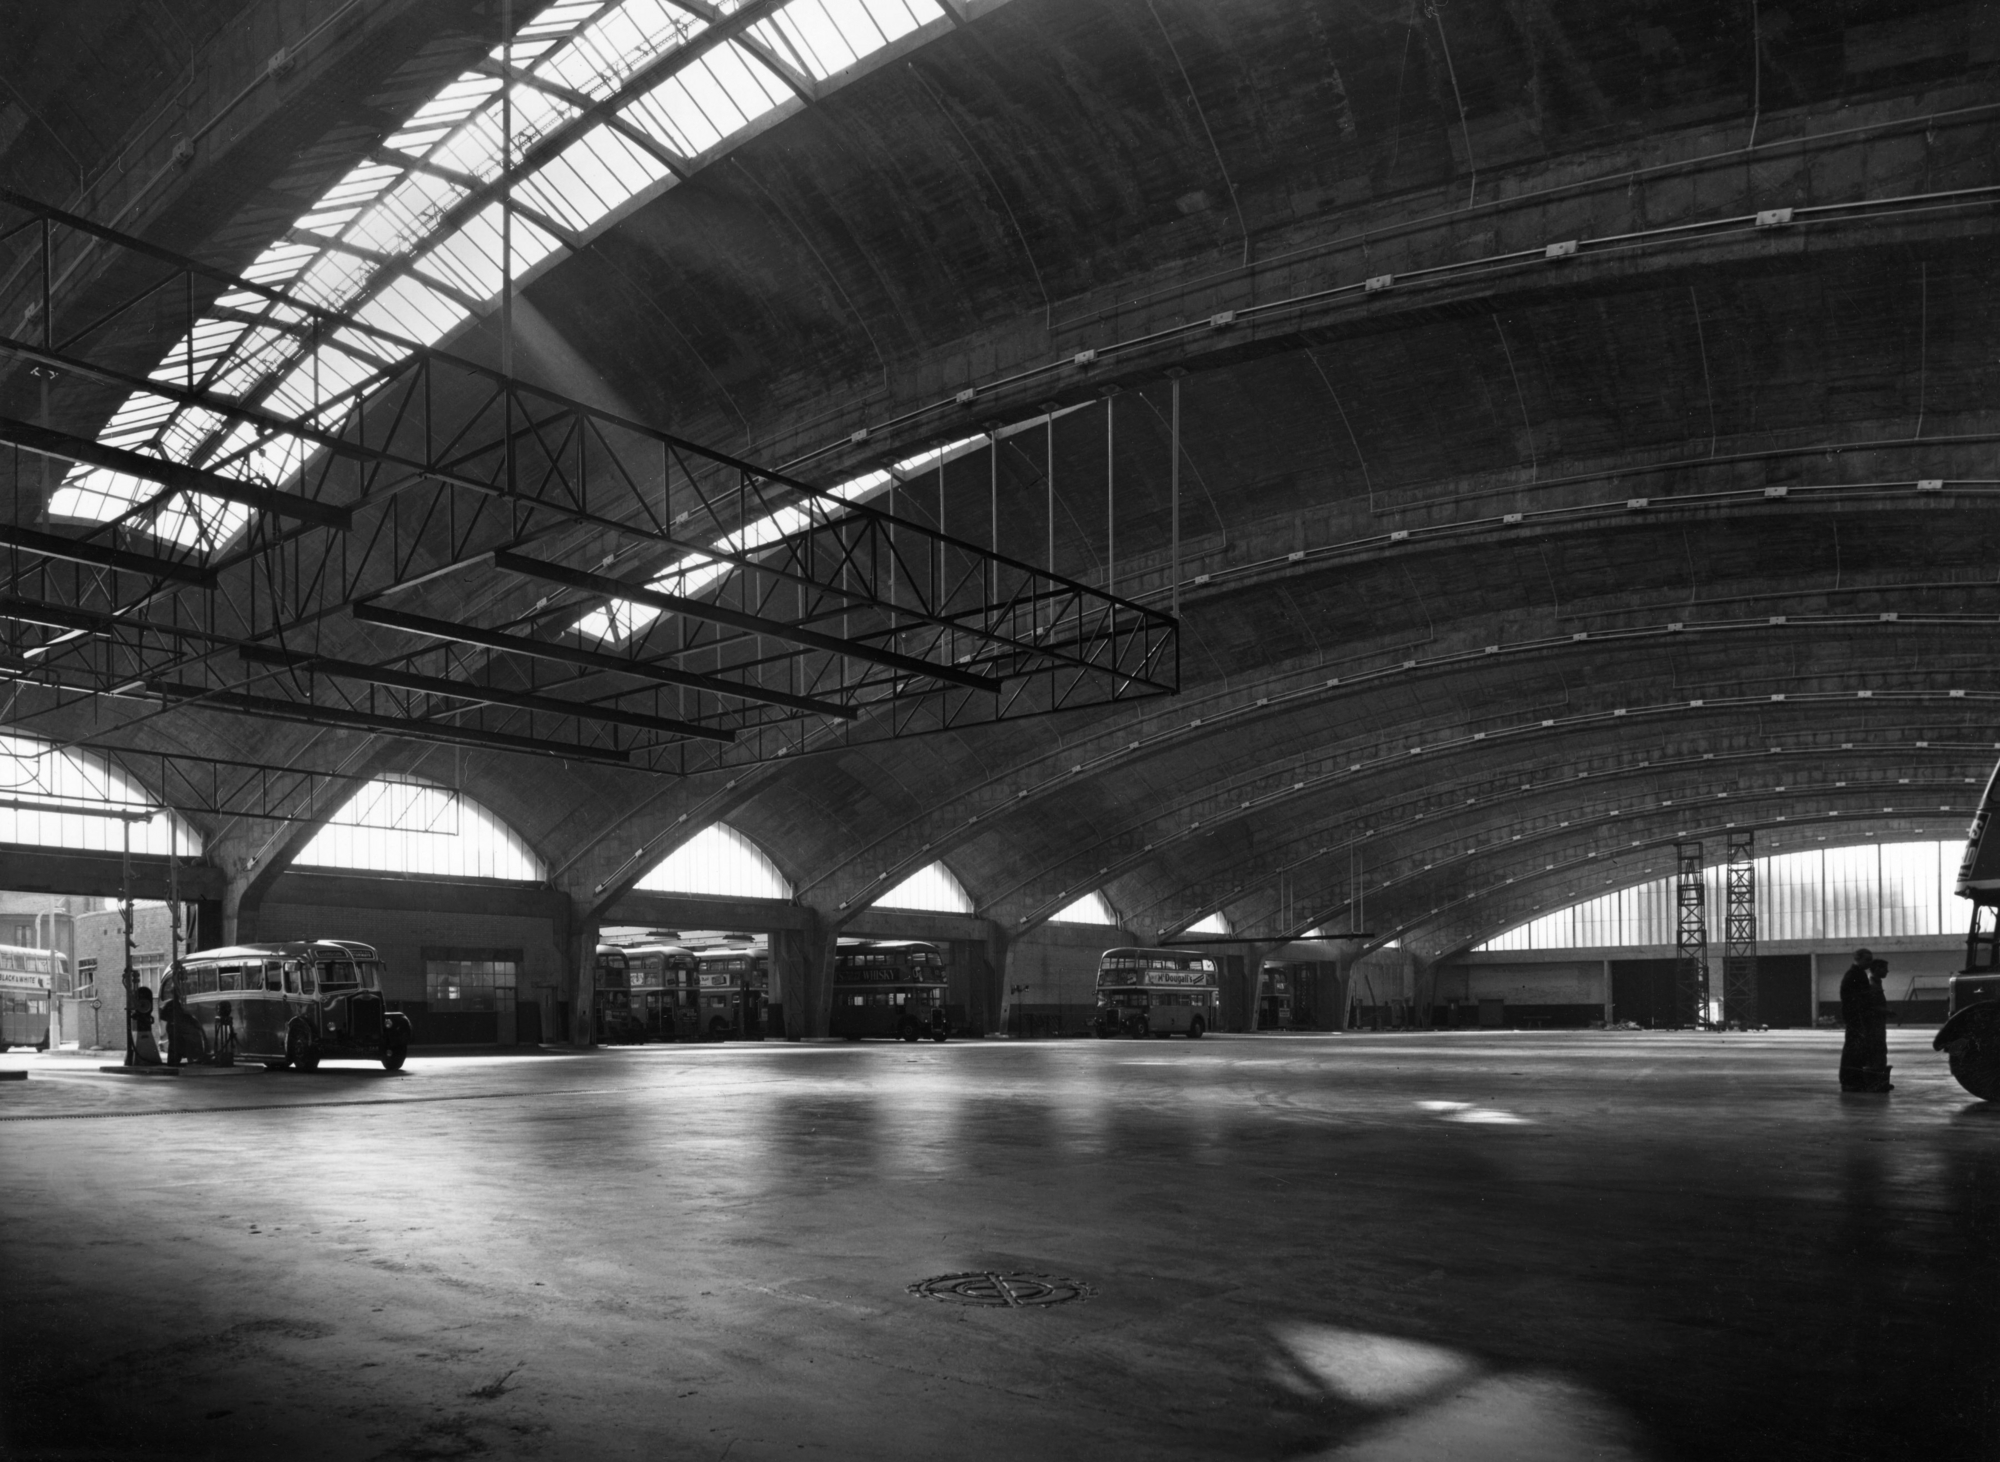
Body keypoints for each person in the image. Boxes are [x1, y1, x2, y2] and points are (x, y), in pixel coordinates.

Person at [1839, 948, 1875, 1091]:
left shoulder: (1857, 974)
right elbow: (1857, 999)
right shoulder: (1855, 975)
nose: (1870, 963)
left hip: (1855, 1017)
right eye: (1867, 960)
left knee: (1856, 1050)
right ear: (1858, 959)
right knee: (1854, 1050)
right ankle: (1850, 1081)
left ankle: (1853, 1080)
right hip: (1855, 1017)